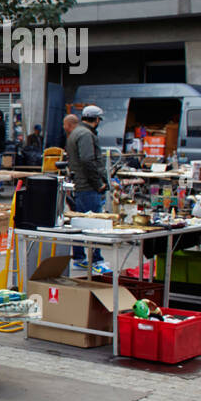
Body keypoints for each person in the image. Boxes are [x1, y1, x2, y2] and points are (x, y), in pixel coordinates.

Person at [67, 105, 109, 274]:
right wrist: (98, 184)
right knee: (94, 225)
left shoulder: (76, 132)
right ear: (96, 119)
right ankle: (96, 260)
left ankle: (79, 258)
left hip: (81, 184)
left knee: (79, 223)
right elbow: (87, 160)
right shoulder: (85, 134)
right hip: (88, 187)